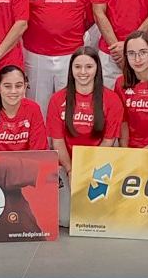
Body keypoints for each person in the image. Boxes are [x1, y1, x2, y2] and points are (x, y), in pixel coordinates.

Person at [47, 46, 123, 223]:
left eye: (89, 67)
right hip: (66, 166)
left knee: (93, 218)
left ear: (97, 69)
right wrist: (71, 170)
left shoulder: (112, 100)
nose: (83, 72)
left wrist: (87, 170)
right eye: (77, 67)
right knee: (65, 220)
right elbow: (57, 142)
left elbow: (108, 142)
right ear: (71, 69)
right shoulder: (57, 99)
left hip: (98, 165)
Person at [24, 0, 92, 112]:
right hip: (36, 56)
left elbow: (90, 17)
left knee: (69, 108)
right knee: (38, 108)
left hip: (71, 54)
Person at [0, 65, 49, 151]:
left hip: (27, 160)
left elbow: (38, 151)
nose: (13, 91)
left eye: (18, 86)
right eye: (7, 86)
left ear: (25, 87)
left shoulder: (33, 109)